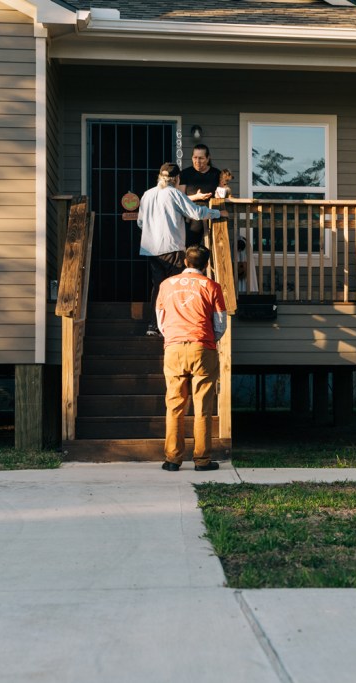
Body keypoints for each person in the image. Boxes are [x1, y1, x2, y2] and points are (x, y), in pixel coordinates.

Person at [156, 244, 227, 472]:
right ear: (206, 265)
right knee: (203, 407)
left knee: (174, 405)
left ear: (185, 262)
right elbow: (220, 323)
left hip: (174, 348)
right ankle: (202, 460)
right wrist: (208, 340)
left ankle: (172, 459)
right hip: (202, 347)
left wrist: (174, 337)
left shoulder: (166, 285)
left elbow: (161, 320)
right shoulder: (211, 286)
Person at [137, 162, 221, 337]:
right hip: (171, 247)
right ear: (176, 179)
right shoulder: (174, 193)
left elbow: (140, 222)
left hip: (151, 249)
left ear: (160, 177)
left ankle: (153, 326)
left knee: (159, 287)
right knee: (176, 287)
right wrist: (217, 213)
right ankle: (173, 325)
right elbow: (196, 213)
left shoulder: (147, 194)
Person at [179, 144, 222, 246]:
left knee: (215, 247)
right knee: (191, 248)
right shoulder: (185, 173)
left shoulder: (216, 174)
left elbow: (223, 193)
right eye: (195, 157)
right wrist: (197, 197)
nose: (197, 161)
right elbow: (179, 198)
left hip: (213, 216)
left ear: (208, 158)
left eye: (201, 158)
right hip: (191, 218)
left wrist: (220, 195)